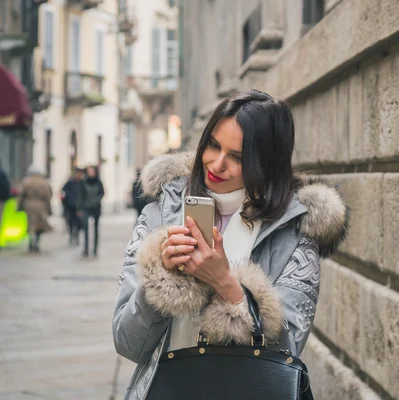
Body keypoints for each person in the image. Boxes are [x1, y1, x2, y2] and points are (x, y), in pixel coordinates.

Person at [113, 90, 348, 399]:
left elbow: (288, 352)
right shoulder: (160, 211)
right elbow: (128, 343)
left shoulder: (294, 232)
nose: (217, 163)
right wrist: (161, 279)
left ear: (267, 163)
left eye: (237, 157)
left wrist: (225, 283)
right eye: (212, 145)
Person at [18, 166, 52, 252]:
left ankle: (31, 242)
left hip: (29, 205)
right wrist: (49, 209)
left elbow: (22, 195)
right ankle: (36, 242)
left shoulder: (27, 182)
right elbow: (48, 196)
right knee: (40, 224)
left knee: (31, 224)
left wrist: (19, 207)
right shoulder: (44, 183)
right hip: (41, 205)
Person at [80, 165, 104, 257]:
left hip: (96, 208)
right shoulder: (83, 182)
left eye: (92, 171)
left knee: (96, 229)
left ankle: (95, 249)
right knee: (85, 228)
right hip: (86, 207)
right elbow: (81, 195)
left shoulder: (98, 182)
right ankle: (85, 249)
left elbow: (102, 193)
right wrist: (80, 208)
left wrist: (96, 200)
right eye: (89, 171)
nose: (90, 173)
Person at [61, 168, 84, 245]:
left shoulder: (82, 183)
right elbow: (63, 192)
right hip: (69, 206)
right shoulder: (70, 183)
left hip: (79, 208)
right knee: (70, 222)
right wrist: (64, 202)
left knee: (78, 223)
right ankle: (71, 235)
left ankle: (76, 236)